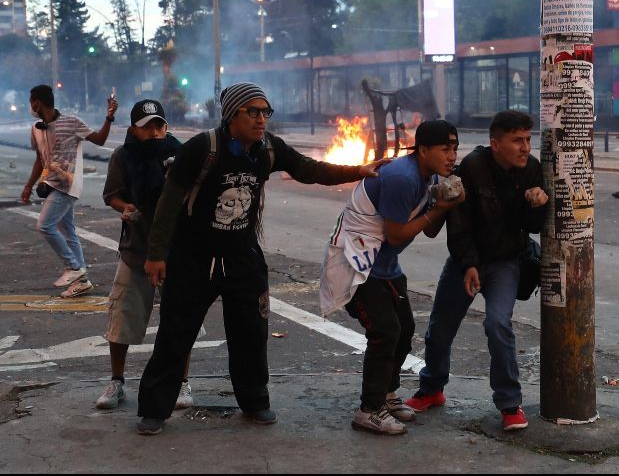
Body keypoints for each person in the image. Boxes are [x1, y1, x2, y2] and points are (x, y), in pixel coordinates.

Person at [135, 82, 387, 435]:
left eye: (265, 112)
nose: (261, 119)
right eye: (252, 111)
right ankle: (154, 409)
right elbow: (168, 205)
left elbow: (310, 170)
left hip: (243, 258)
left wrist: (357, 170)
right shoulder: (202, 149)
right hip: (193, 259)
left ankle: (255, 402)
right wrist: (156, 255)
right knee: (176, 335)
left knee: (251, 333)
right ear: (232, 115)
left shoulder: (269, 149)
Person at [404, 111, 548, 431]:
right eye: (517, 140)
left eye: (528, 139)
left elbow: (533, 226)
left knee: (498, 324)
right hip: (465, 261)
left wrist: (538, 203)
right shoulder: (472, 167)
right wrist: (468, 264)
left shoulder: (533, 169)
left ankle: (510, 404)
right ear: (496, 144)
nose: (525, 147)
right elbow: (459, 223)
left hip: (505, 262)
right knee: (440, 328)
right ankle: (432, 389)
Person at [320, 119, 465, 436]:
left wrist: (444, 204)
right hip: (358, 261)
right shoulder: (402, 177)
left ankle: (386, 395)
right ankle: (368, 410)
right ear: (423, 150)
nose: (452, 155)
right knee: (386, 331)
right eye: (445, 148)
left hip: (384, 265)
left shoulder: (431, 176)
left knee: (404, 329)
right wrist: (439, 208)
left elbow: (428, 228)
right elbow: (397, 235)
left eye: (454, 148)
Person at [97, 99, 197, 411]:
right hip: (135, 251)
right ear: (133, 130)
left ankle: (181, 383)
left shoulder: (180, 155)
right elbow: (111, 195)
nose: (154, 132)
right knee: (122, 317)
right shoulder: (123, 156)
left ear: (166, 127)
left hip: (175, 252)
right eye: (146, 127)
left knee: (179, 320)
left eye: (159, 125)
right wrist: (125, 208)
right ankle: (117, 382)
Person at [21, 84, 118, 297]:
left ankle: (73, 267)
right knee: (68, 232)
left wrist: (109, 118)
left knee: (44, 225)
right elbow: (39, 160)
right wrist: (29, 185)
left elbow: (100, 140)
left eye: (31, 103)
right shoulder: (36, 128)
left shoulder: (71, 122)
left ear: (37, 103)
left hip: (67, 184)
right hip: (50, 184)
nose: (30, 107)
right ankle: (82, 281)